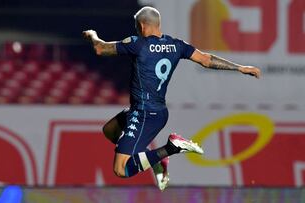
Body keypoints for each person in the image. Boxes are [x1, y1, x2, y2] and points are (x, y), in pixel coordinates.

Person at [83, 6, 261, 191]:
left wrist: (93, 35)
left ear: (142, 26)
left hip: (145, 114)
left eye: (137, 27)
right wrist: (239, 67)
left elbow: (100, 49)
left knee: (121, 169)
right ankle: (156, 159)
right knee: (110, 131)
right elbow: (206, 59)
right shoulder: (177, 45)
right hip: (154, 112)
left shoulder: (138, 43)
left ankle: (170, 148)